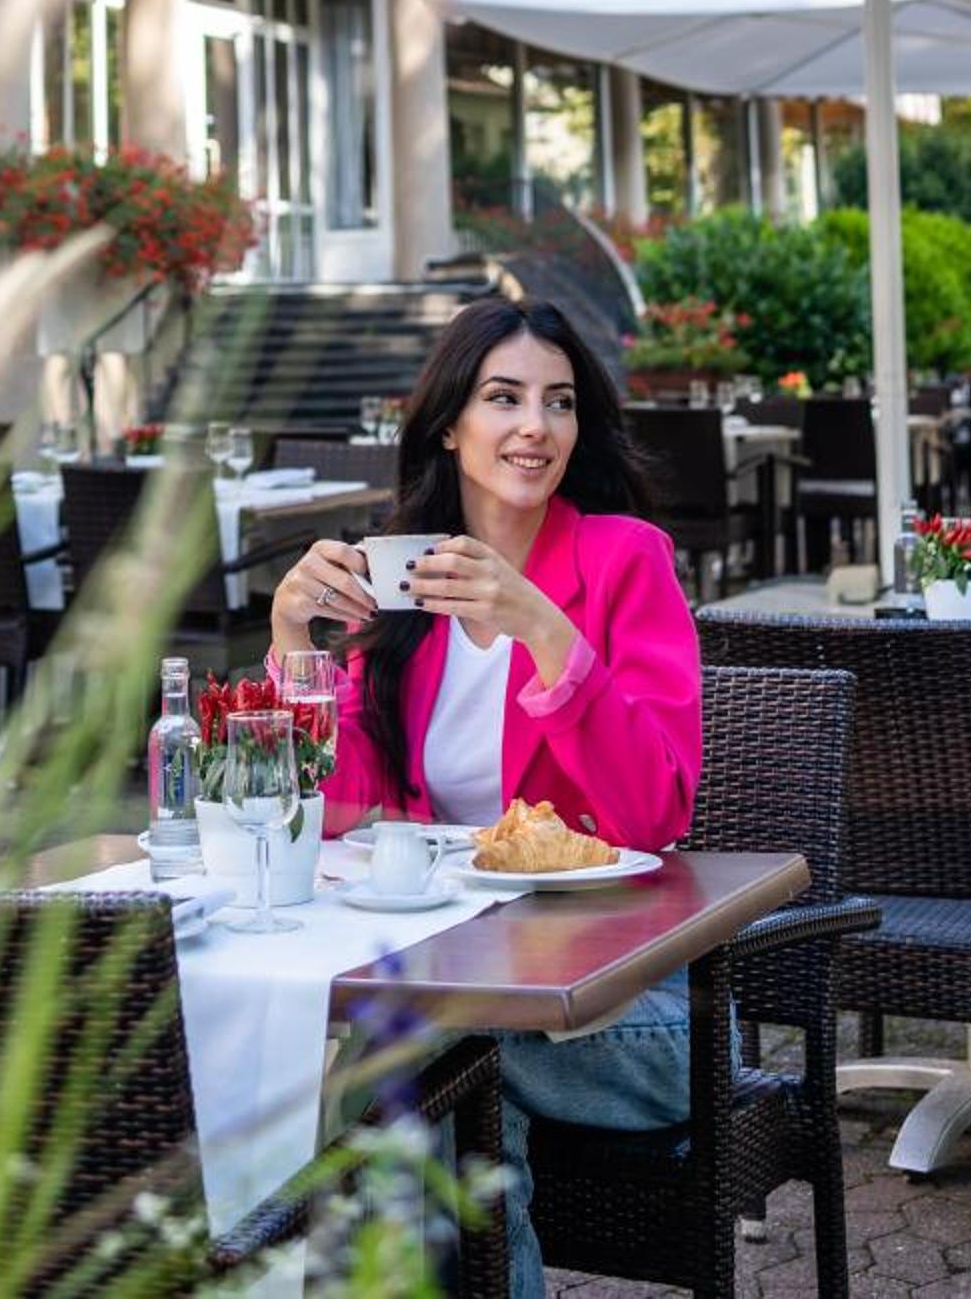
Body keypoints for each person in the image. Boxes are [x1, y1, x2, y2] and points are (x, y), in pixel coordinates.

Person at [269, 294, 704, 1299]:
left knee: (400, 1058)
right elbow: (343, 805)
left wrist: (545, 630)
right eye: (503, 397)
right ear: (447, 425)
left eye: (558, 402)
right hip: (456, 978)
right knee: (415, 1068)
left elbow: (656, 811)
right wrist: (294, 646)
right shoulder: (404, 580)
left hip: (632, 1005)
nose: (534, 426)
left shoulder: (623, 558)